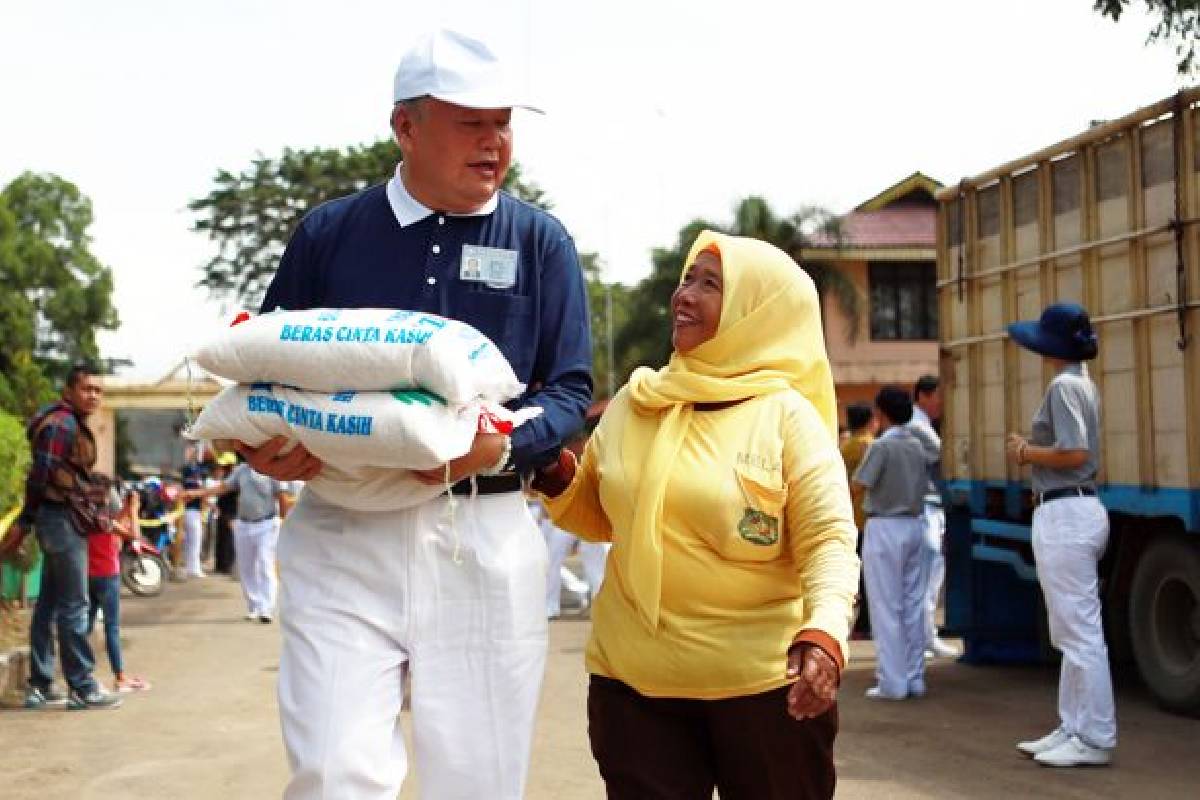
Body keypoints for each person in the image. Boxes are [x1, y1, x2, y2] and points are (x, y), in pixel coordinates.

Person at [238, 28, 592, 799]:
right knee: (333, 772)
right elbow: (264, 368)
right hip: (341, 532)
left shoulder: (540, 243)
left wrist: (492, 449)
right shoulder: (329, 235)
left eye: (503, 121)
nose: (494, 141)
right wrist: (261, 445)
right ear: (405, 126)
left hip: (483, 539)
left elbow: (568, 391)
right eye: (470, 122)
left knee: (479, 780)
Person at [535, 231, 858, 800]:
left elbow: (828, 540)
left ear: (754, 313)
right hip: (634, 686)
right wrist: (559, 479)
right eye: (688, 278)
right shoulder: (639, 402)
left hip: (764, 688)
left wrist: (825, 634)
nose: (685, 295)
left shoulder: (787, 418)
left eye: (711, 284)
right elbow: (602, 516)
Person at [1006, 302, 1115, 768]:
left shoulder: (1064, 385)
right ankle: (1074, 726)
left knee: (1080, 633)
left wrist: (1027, 451)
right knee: (1072, 630)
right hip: (1074, 510)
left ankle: (1092, 736)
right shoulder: (1081, 383)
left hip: (1066, 511)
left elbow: (1074, 452)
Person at [3, 364, 123, 710]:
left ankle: (40, 684)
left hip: (61, 519)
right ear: (69, 390)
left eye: (99, 391)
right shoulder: (62, 425)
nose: (94, 396)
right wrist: (26, 521)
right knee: (75, 604)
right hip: (61, 521)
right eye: (87, 389)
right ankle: (83, 687)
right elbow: (40, 476)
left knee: (50, 603)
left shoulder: (66, 422)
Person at [853, 386, 931, 701]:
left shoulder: (881, 446)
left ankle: (892, 682)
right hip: (916, 524)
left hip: (884, 526)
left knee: (886, 607)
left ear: (881, 414)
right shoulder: (917, 445)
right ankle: (914, 678)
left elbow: (860, 484)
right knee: (913, 606)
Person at [197, 462, 291, 622]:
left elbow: (282, 496)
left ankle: (266, 608)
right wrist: (198, 493)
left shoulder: (273, 469)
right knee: (246, 567)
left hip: (267, 523)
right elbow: (224, 487)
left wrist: (284, 520)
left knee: (264, 563)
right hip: (244, 524)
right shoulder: (242, 470)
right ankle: (254, 605)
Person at [909, 374, 958, 658]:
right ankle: (925, 637)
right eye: (939, 396)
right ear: (923, 396)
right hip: (925, 509)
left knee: (929, 579)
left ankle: (926, 636)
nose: (942, 403)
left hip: (928, 508)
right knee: (927, 579)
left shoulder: (923, 424)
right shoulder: (919, 427)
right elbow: (945, 457)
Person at [86, 483, 151, 692]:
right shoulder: (108, 522)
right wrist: (133, 510)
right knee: (111, 628)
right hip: (108, 576)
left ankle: (82, 675)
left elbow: (117, 521)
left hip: (89, 576)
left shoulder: (86, 518)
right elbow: (134, 536)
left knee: (85, 627)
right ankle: (120, 677)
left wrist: (126, 506)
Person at [840, 401, 875, 636]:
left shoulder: (846, 447)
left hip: (851, 515)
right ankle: (865, 624)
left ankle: (862, 624)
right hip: (867, 517)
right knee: (868, 576)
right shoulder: (869, 446)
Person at [179, 446, 208, 579]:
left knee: (191, 540)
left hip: (190, 510)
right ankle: (193, 568)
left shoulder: (193, 471)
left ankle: (191, 566)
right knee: (194, 540)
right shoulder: (191, 473)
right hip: (191, 509)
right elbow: (202, 493)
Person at [210, 452, 239, 575]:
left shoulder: (235, 479)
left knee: (229, 541)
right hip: (222, 512)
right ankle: (220, 566)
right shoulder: (227, 478)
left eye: (225, 466)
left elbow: (237, 499)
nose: (222, 468)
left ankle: (227, 567)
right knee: (221, 540)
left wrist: (234, 517)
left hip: (231, 513)